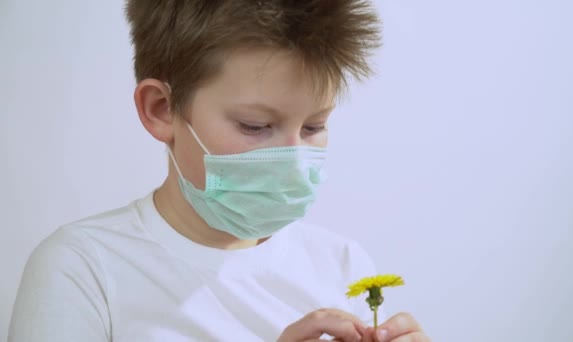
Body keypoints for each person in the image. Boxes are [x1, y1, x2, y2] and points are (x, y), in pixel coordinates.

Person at [9, 1, 430, 341]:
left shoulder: (342, 265)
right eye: (255, 126)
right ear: (162, 109)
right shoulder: (85, 268)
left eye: (314, 126)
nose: (294, 159)